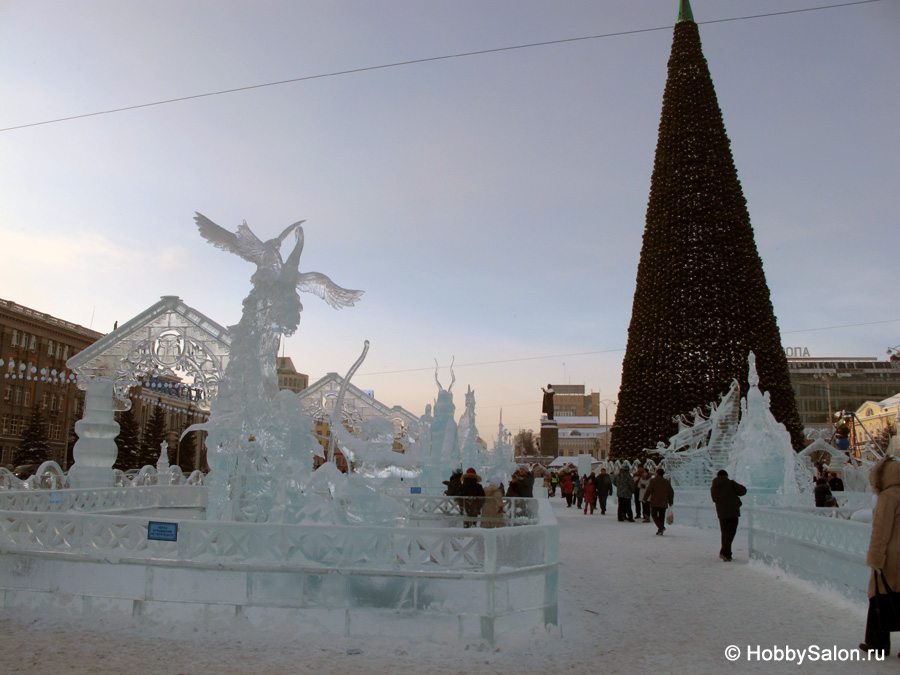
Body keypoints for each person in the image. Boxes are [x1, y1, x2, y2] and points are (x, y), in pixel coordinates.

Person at [859, 456, 900, 657]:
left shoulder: (888, 497)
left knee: (879, 597)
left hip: (890, 557)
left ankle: (878, 642)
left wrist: (875, 558)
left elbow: (881, 530)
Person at [710, 469, 747, 562]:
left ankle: (727, 555)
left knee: (725, 533)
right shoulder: (730, 483)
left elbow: (714, 499)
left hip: (721, 513)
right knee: (731, 533)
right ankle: (724, 552)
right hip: (732, 512)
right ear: (726, 476)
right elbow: (743, 491)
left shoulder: (713, 487)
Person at [643, 468, 674, 535]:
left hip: (655, 501)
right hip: (664, 502)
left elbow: (649, 490)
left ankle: (661, 527)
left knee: (654, 515)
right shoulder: (666, 482)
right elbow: (671, 492)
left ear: (657, 473)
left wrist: (644, 498)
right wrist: (670, 501)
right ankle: (660, 530)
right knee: (661, 516)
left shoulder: (653, 481)